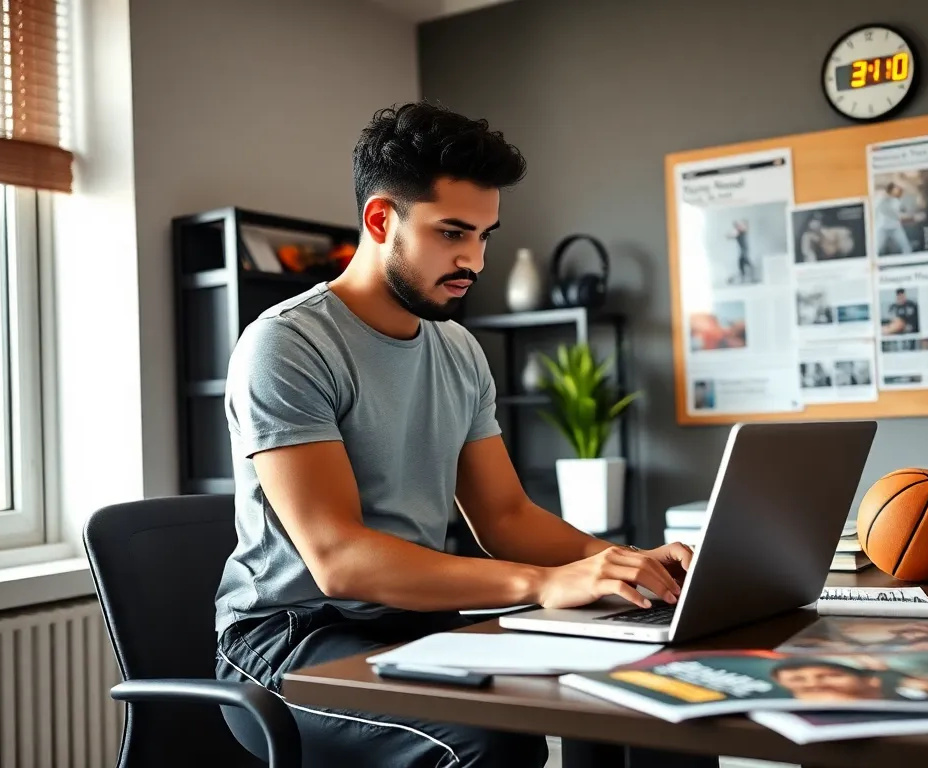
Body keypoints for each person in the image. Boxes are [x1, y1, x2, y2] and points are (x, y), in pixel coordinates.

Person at [213, 101, 695, 768]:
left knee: (640, 692)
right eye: (452, 233)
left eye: (485, 236)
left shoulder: (458, 349)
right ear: (382, 220)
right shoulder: (287, 345)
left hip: (410, 622)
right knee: (488, 741)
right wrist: (540, 584)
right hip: (292, 639)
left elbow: (504, 516)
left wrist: (619, 566)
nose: (473, 259)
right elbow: (340, 560)